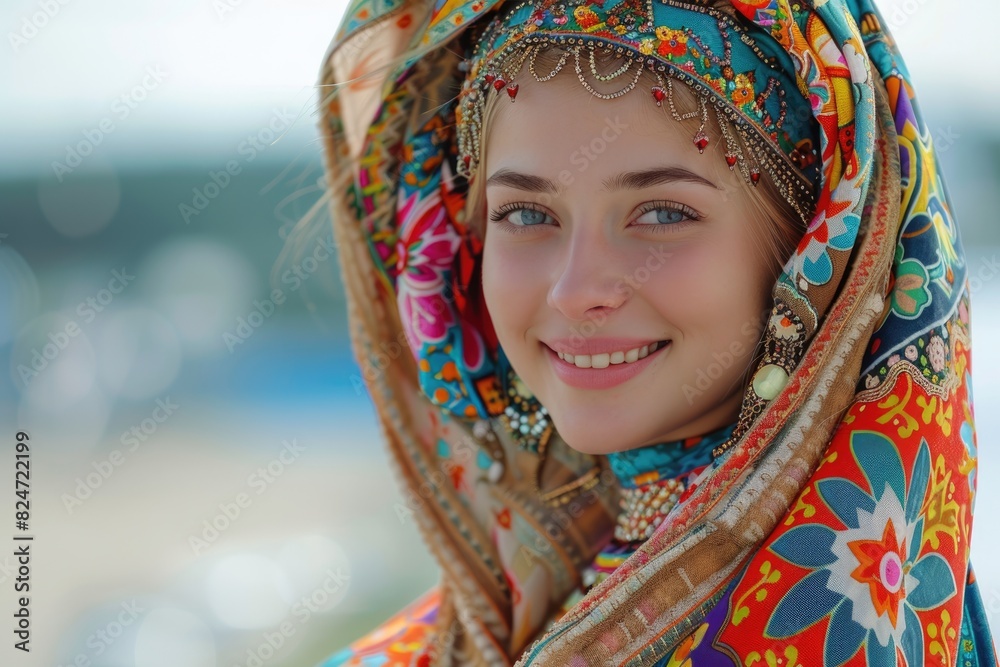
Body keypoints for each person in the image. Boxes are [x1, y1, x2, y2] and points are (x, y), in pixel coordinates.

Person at [311, 0, 997, 664]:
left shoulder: (837, 630)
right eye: (524, 213)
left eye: (663, 214)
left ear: (812, 250)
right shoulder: (471, 628)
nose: (575, 290)